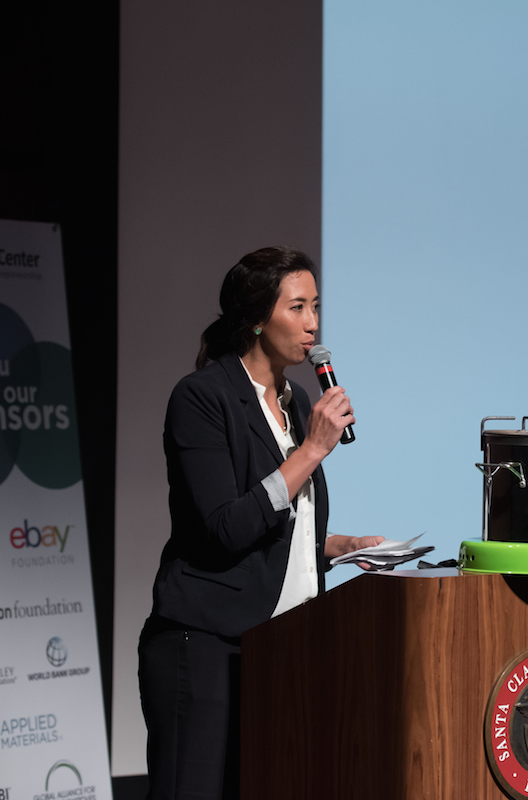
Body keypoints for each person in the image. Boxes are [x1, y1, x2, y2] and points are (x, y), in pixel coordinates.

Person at [138, 246, 382, 800]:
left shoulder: (295, 403)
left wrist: (337, 546)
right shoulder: (202, 398)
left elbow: (277, 523)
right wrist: (312, 450)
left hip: (278, 646)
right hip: (205, 643)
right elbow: (224, 527)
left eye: (316, 306)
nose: (313, 323)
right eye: (297, 307)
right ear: (254, 318)